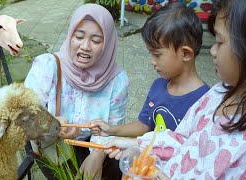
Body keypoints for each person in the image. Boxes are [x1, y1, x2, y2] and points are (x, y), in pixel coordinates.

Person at [104, 0, 246, 178]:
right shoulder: (216, 95)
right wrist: (136, 144)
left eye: (219, 42)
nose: (212, 51)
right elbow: (181, 139)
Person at [24, 3, 129, 180]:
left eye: (96, 40)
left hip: (96, 144)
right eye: (79, 37)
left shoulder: (117, 80)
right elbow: (24, 115)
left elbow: (113, 126)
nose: (85, 46)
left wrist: (96, 156)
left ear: (108, 44)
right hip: (51, 143)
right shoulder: (47, 66)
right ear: (70, 35)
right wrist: (52, 125)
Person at [89, 2, 210, 139]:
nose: (152, 61)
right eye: (150, 54)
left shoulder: (206, 102)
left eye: (157, 55)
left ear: (186, 54)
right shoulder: (158, 86)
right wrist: (112, 130)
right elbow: (144, 125)